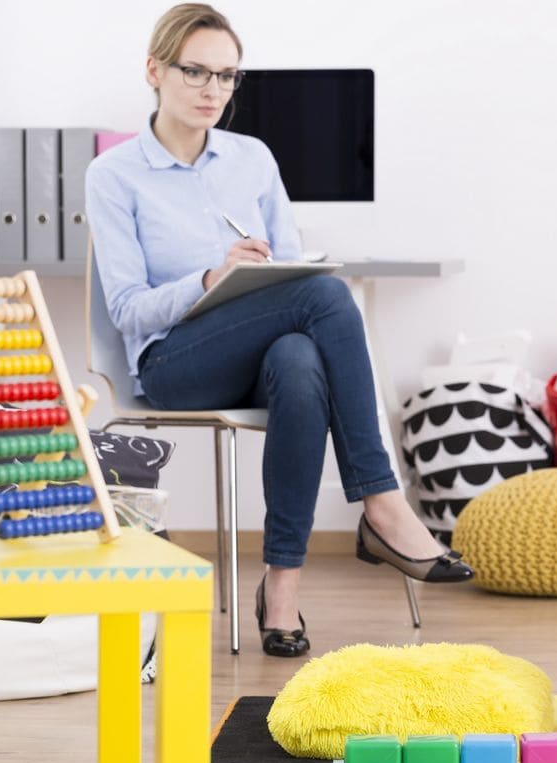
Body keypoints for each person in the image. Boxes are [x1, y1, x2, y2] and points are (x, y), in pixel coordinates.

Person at [86, 3, 473, 658]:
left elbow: (293, 271)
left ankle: (282, 590)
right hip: (173, 365)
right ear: (155, 70)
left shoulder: (253, 159)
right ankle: (381, 503)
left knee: (300, 361)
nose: (215, 91)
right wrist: (211, 279)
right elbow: (126, 309)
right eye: (197, 72)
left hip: (263, 350)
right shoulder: (114, 174)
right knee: (325, 296)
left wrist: (268, 276)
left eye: (229, 76)